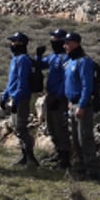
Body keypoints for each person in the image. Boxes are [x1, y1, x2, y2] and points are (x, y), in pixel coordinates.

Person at [62, 32, 98, 178]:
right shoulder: (69, 62)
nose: (65, 46)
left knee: (85, 138)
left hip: (82, 105)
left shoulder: (84, 62)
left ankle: (92, 169)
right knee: (76, 140)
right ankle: (81, 167)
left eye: (68, 43)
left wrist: (82, 105)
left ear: (76, 43)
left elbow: (86, 86)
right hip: (72, 104)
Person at [2, 31, 38, 168]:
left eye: (14, 42)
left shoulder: (23, 60)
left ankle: (30, 158)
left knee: (20, 128)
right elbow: (12, 81)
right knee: (17, 128)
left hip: (21, 98)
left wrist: (16, 100)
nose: (11, 44)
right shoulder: (15, 59)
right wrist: (5, 95)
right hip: (14, 96)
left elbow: (22, 83)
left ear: (21, 44)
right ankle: (25, 156)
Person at [36, 28, 70, 169]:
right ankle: (58, 153)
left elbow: (66, 79)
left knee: (59, 127)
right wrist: (38, 56)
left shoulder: (66, 58)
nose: (53, 42)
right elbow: (40, 64)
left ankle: (65, 159)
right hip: (50, 95)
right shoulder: (53, 57)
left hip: (60, 98)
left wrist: (59, 95)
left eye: (55, 40)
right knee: (51, 127)